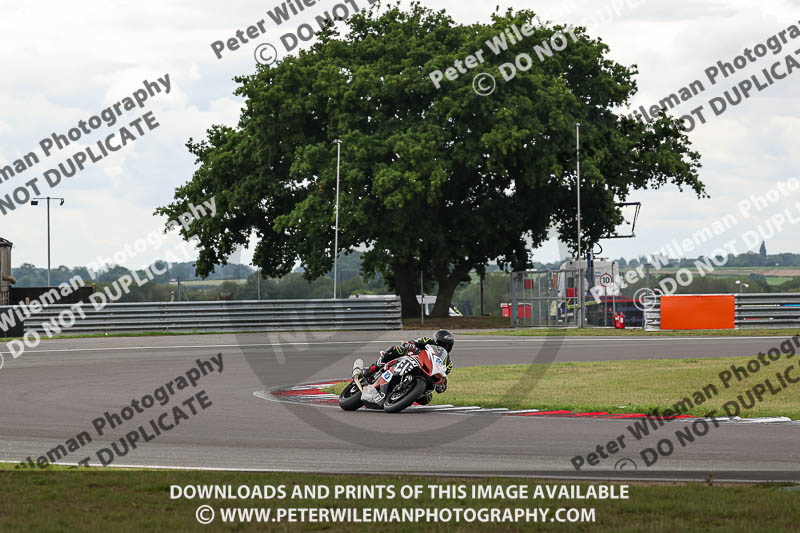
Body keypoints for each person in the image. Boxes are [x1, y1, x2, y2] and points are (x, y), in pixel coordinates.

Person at [361, 330, 454, 404]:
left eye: (448, 345)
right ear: (436, 341)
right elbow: (412, 342)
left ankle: (402, 396)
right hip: (411, 359)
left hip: (427, 374)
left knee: (427, 398)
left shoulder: (448, 362)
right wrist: (411, 346)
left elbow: (444, 376)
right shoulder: (427, 341)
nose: (445, 347)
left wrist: (442, 385)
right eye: (443, 343)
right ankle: (371, 369)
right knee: (396, 350)